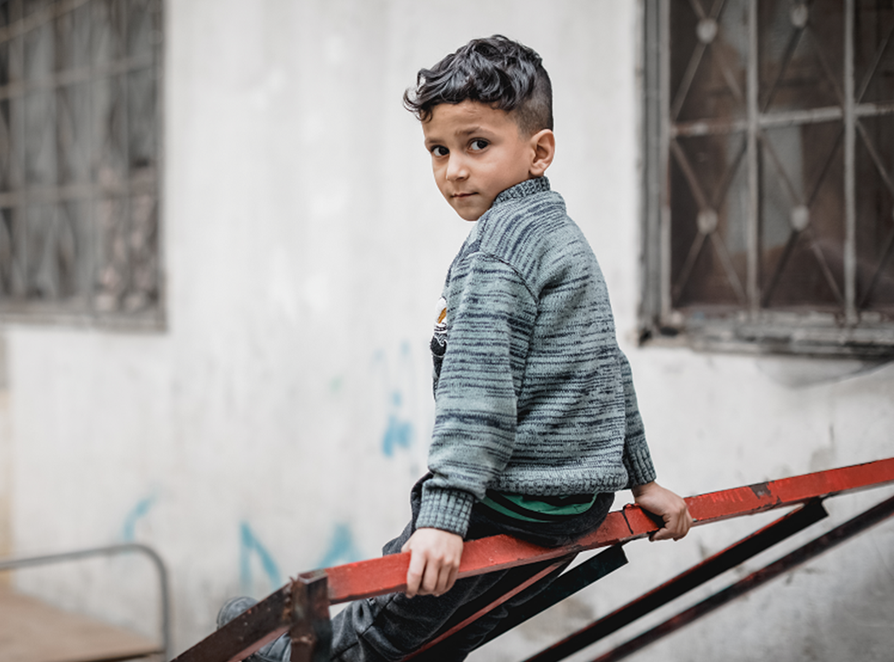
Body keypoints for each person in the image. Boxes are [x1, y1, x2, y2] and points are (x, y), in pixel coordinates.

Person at [219, 34, 692, 661]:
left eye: (477, 144)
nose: (454, 170)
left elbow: (478, 397)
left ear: (539, 151)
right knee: (444, 636)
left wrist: (444, 517)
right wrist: (643, 479)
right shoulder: (565, 239)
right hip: (572, 509)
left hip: (502, 505)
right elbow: (607, 367)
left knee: (383, 635)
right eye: (438, 150)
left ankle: (267, 649)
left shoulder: (497, 253)